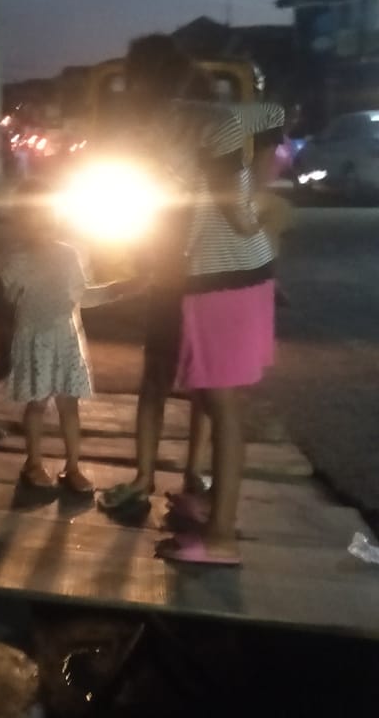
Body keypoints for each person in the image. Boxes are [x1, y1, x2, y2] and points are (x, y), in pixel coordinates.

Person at [102, 35, 284, 566]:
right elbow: (268, 112)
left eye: (135, 78)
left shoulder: (185, 118)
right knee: (212, 395)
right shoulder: (169, 120)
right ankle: (205, 504)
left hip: (222, 272)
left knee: (224, 404)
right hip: (219, 271)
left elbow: (235, 138)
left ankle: (222, 536)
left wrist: (250, 211)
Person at [0, 180, 142, 493]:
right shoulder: (13, 261)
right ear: (21, 221)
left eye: (47, 216)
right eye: (32, 217)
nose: (41, 223)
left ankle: (73, 467)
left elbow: (82, 296)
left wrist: (118, 290)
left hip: (66, 340)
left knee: (69, 406)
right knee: (37, 404)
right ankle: (33, 463)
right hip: (34, 340)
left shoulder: (70, 254)